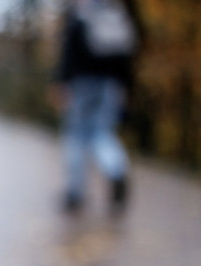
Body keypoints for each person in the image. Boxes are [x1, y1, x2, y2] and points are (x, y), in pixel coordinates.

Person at [50, 0, 141, 215]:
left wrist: (61, 82)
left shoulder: (82, 15)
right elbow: (126, 59)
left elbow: (68, 53)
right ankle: (116, 170)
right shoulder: (116, 15)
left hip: (81, 85)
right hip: (110, 86)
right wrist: (125, 88)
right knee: (102, 134)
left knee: (76, 136)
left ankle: (75, 193)